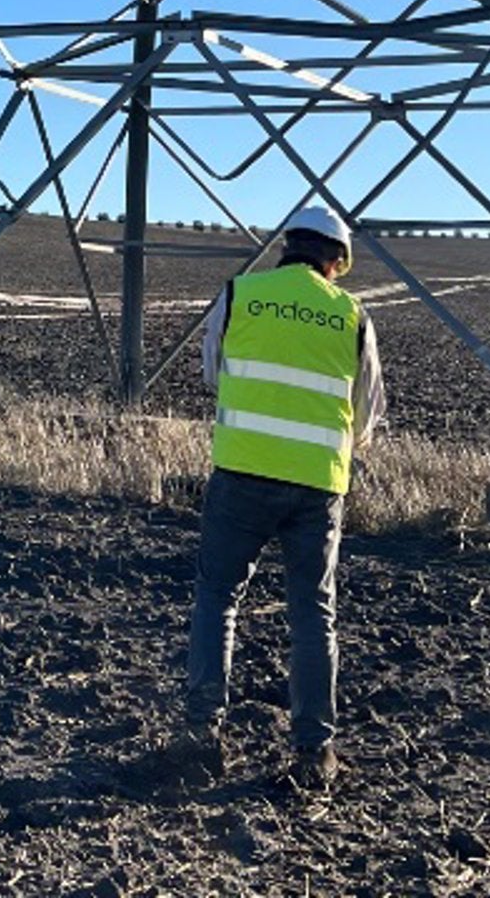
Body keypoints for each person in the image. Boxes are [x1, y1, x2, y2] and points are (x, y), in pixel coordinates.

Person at [178, 203, 385, 790]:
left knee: (217, 598)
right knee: (313, 615)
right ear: (338, 261)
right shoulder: (353, 315)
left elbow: (213, 374)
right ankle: (314, 751)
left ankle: (200, 735)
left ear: (286, 247)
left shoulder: (239, 294)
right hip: (317, 486)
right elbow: (368, 412)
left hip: (241, 472)